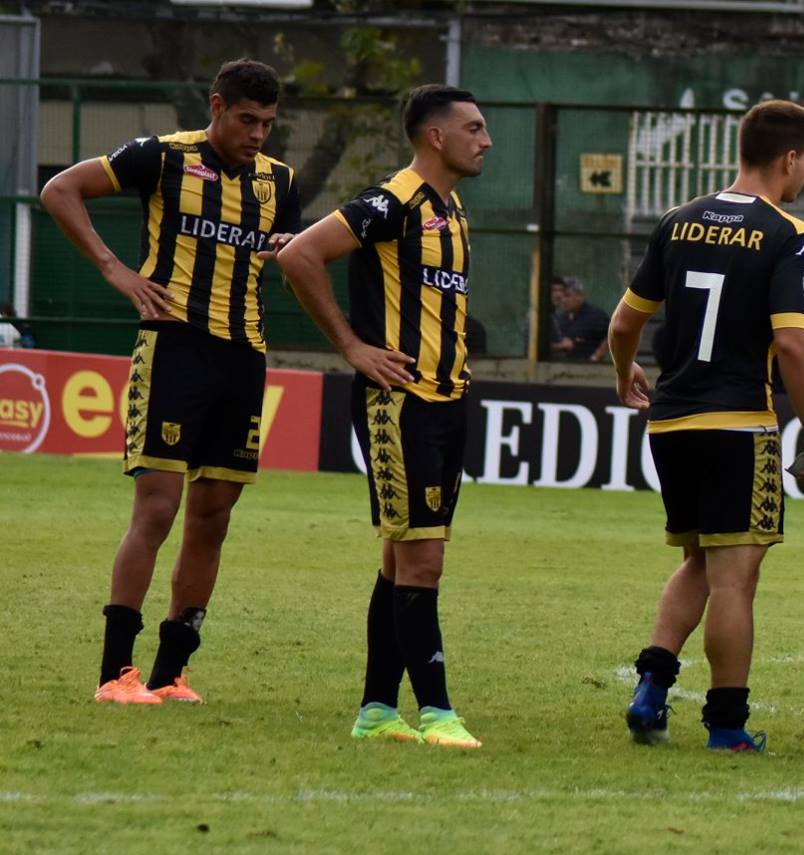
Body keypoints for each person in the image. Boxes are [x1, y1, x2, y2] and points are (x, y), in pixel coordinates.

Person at [40, 58, 302, 705]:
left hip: (244, 357)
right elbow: (59, 190)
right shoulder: (160, 157)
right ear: (216, 106)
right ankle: (114, 673)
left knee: (213, 517)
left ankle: (170, 671)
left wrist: (287, 251)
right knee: (157, 508)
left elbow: (288, 249)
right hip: (175, 348)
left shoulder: (278, 181)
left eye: (268, 123)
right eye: (247, 119)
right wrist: (114, 269)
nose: (258, 134)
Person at [607, 100, 804, 751]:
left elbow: (625, 323)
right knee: (738, 575)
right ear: (789, 157)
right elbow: (793, 345)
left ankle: (651, 688)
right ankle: (728, 724)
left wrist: (625, 377)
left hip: (672, 421)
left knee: (700, 560)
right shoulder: (786, 231)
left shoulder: (678, 220)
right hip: (738, 425)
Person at [276, 84, 491, 749]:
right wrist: (351, 345)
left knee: (402, 559)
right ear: (436, 136)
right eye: (475, 128)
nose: (486, 140)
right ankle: (437, 712)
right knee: (422, 561)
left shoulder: (450, 209)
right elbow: (298, 255)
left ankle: (376, 709)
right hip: (403, 403)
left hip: (446, 401)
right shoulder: (391, 200)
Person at [551, 276, 610, 360]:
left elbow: (612, 336)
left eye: (568, 295)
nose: (563, 300)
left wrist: (596, 357)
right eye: (562, 296)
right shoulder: (559, 318)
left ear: (580, 296)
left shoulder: (596, 316)